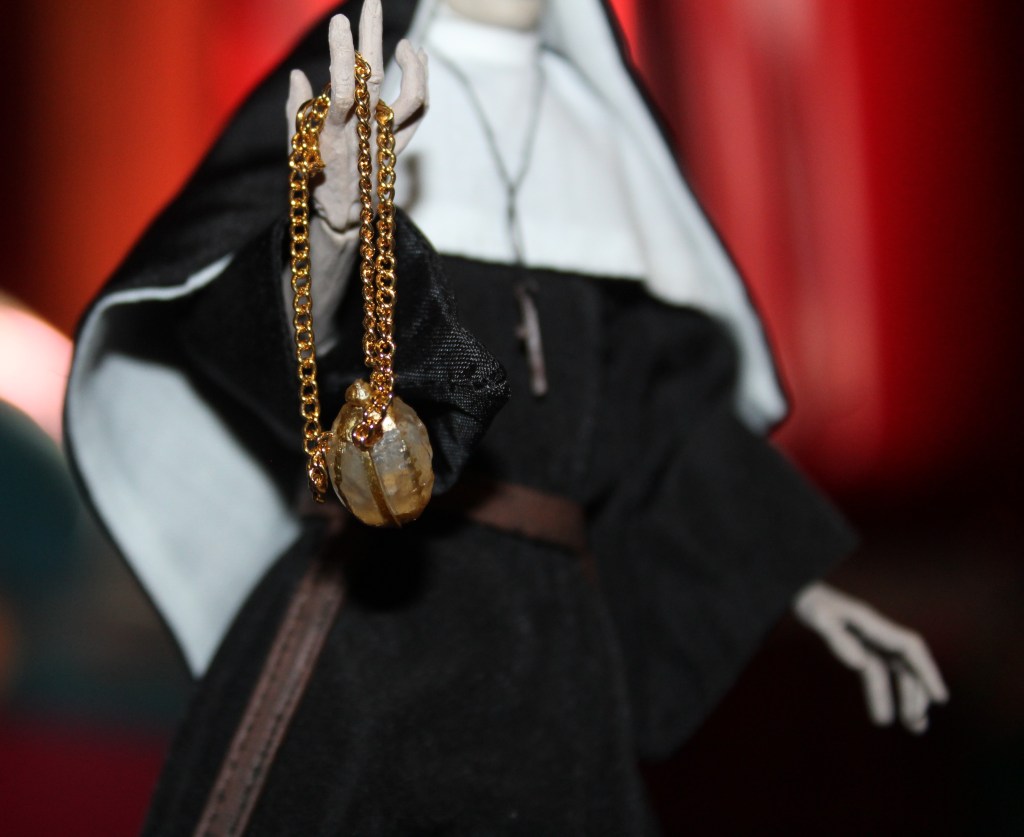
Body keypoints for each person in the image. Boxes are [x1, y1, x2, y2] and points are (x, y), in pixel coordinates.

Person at [66, 0, 947, 832]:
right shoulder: (364, 95)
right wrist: (332, 227)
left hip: (557, 658)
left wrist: (802, 586)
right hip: (371, 626)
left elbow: (665, 429)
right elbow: (269, 332)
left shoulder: (604, 137)